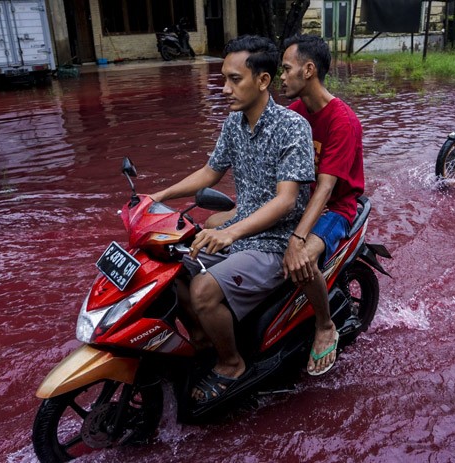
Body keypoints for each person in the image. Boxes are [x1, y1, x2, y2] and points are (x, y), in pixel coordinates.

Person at [148, 35, 314, 404]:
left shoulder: (292, 127)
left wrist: (231, 232)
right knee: (170, 268)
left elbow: (286, 200)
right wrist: (158, 196)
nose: (225, 89)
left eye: (234, 79)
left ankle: (231, 363)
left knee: (202, 291)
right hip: (239, 232)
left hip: (276, 242)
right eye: (224, 78)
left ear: (263, 80)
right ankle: (204, 339)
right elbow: (210, 173)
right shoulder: (233, 123)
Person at [279, 34, 365, 376]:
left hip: (336, 208)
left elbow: (327, 188)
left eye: (287, 69)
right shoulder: (294, 114)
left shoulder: (343, 121)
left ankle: (324, 324)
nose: (282, 77)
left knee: (301, 260)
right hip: (302, 200)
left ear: (308, 70)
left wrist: (298, 238)